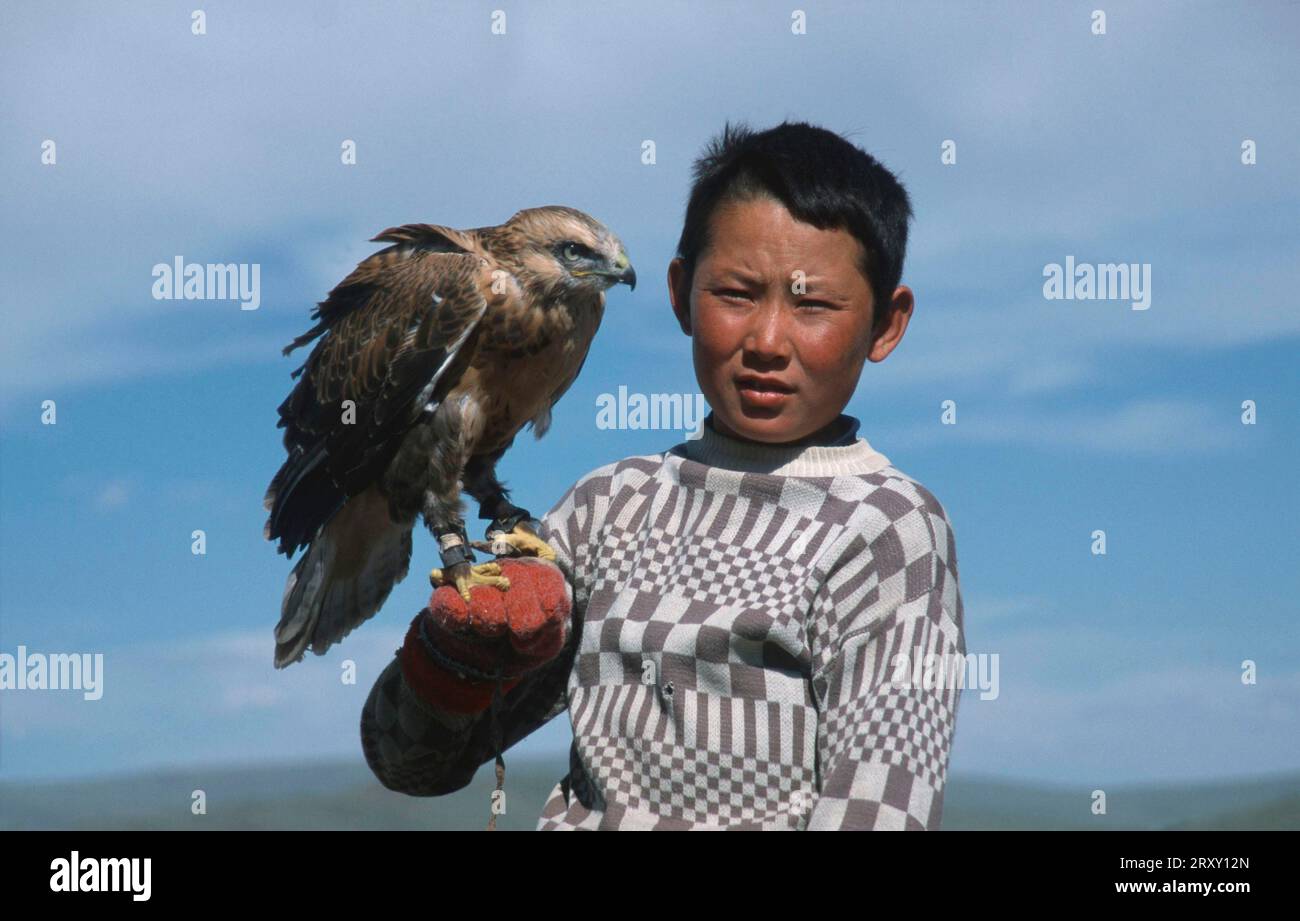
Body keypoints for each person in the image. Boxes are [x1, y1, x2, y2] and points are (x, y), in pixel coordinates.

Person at [361, 120, 967, 830]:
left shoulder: (888, 529)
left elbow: (881, 807)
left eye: (812, 304)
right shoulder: (605, 508)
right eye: (736, 293)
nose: (767, 340)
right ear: (680, 295)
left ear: (886, 325)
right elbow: (410, 762)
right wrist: (454, 660)